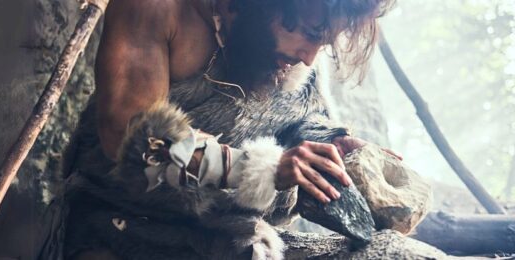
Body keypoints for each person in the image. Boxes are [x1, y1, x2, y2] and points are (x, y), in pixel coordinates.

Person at [53, 0, 399, 259]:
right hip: (116, 228)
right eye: (310, 35)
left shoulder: (289, 46)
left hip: (232, 237)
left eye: (321, 43)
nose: (309, 57)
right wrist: (260, 168)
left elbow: (299, 123)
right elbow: (134, 138)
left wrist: (333, 146)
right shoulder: (158, 7)